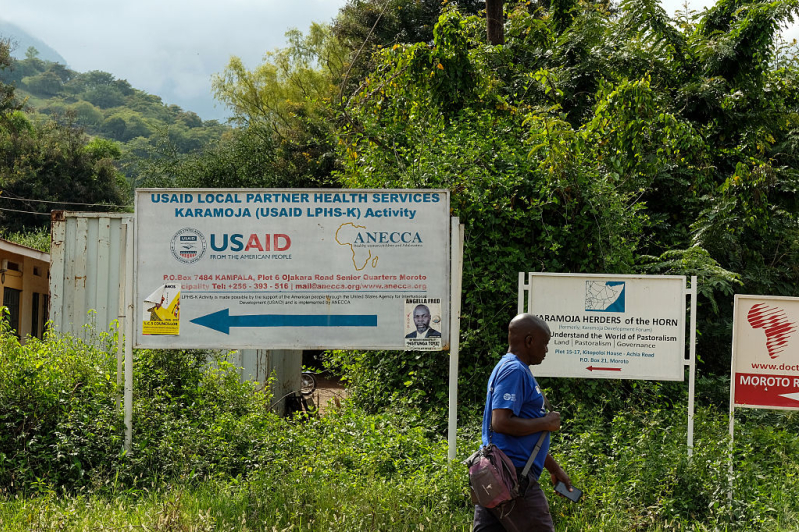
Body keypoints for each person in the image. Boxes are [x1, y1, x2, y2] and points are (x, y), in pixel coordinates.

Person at [473, 313, 573, 532]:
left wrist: (554, 468)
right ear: (529, 341)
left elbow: (524, 436)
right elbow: (501, 423)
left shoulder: (510, 368)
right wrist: (546, 422)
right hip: (515, 480)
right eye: (545, 344)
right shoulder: (515, 370)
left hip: (496, 477)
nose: (546, 350)